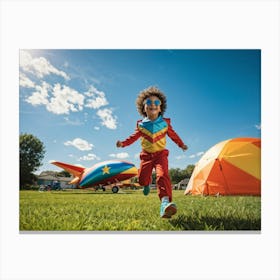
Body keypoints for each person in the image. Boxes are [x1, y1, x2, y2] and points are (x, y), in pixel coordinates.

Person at [116, 86, 188, 218]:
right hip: (146, 156)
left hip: (161, 154)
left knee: (163, 175)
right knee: (142, 179)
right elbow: (133, 137)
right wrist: (123, 144)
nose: (153, 104)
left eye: (156, 103)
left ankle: (165, 203)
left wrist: (181, 144)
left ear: (160, 108)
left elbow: (173, 135)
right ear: (143, 108)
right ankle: (146, 184)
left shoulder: (165, 123)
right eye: (149, 102)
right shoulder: (141, 125)